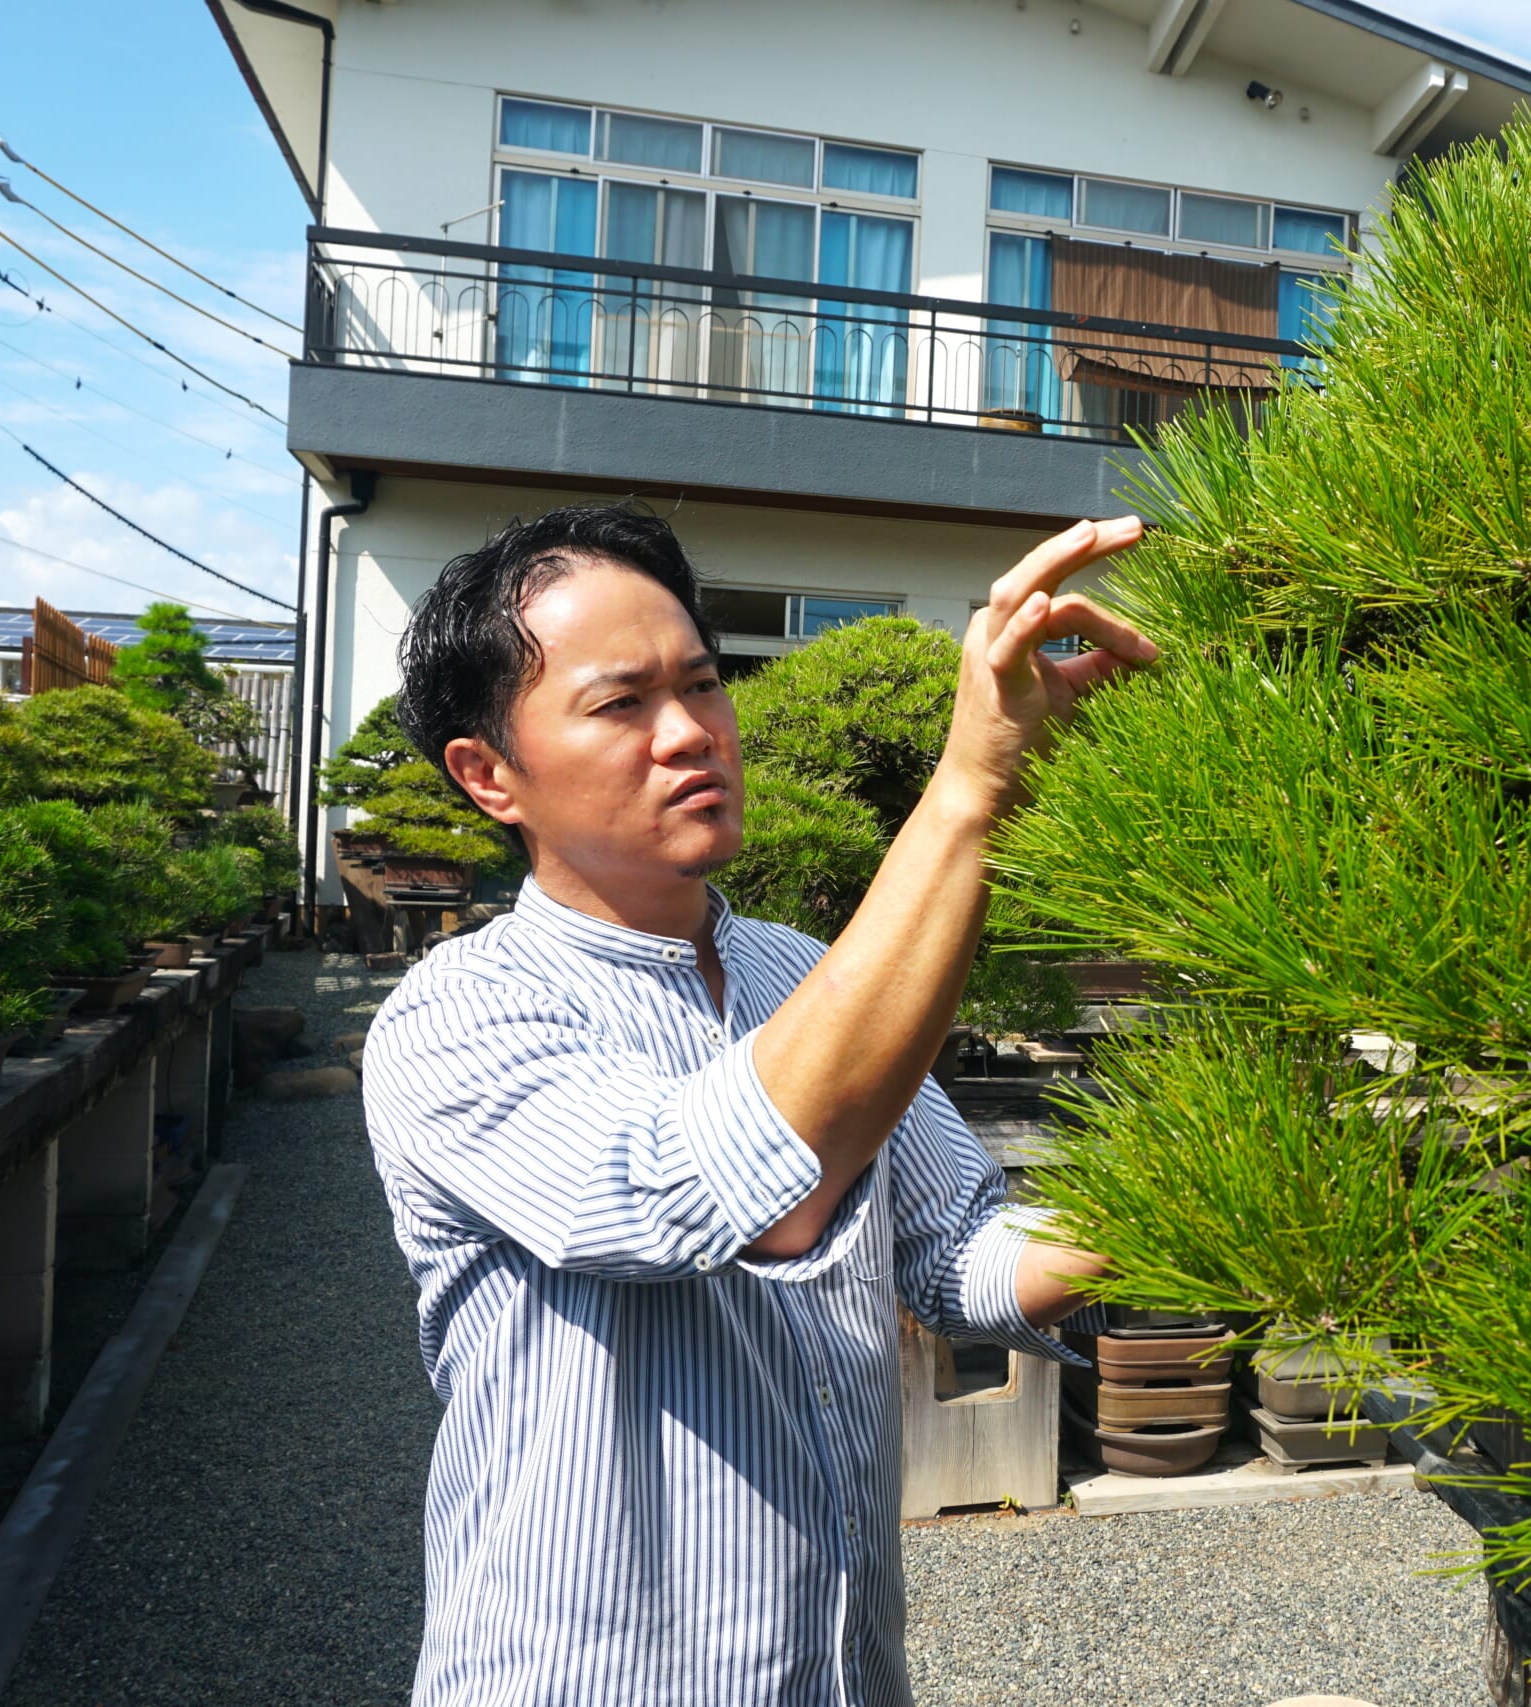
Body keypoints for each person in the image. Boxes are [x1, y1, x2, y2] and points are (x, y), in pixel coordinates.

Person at [358, 501, 1153, 1706]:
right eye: (620, 704)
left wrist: (1211, 1192)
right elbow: (717, 1192)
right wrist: (966, 794)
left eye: (704, 684)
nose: (689, 733)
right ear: (487, 775)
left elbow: (962, 1259)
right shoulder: (457, 1017)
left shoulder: (799, 971)